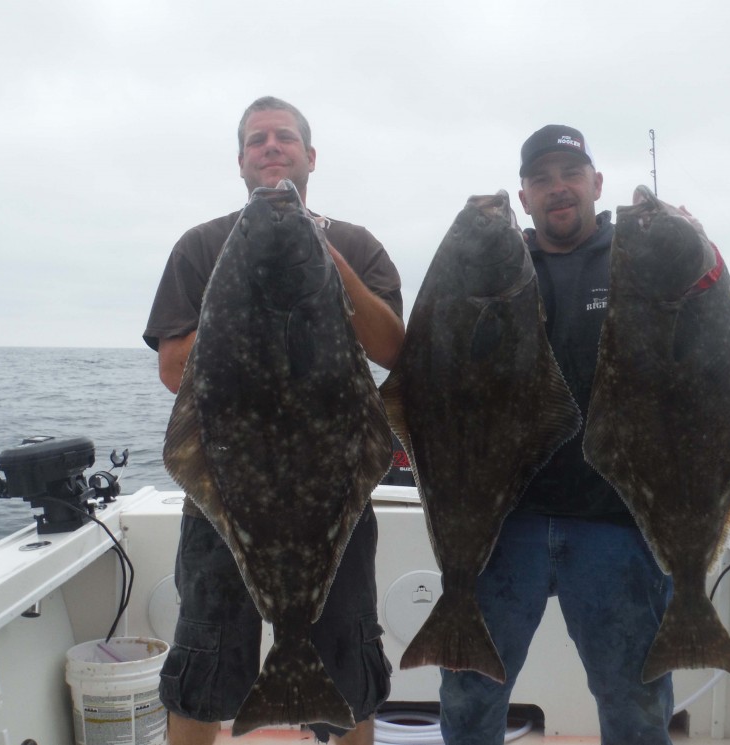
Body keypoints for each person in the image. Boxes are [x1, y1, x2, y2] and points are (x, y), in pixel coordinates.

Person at [143, 96, 405, 745]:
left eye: (284, 137)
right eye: (256, 139)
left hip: (332, 494)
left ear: (309, 156)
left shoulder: (357, 245)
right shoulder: (202, 247)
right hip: (227, 495)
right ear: (240, 161)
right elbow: (174, 370)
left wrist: (326, 260)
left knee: (349, 669)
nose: (270, 147)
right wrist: (237, 288)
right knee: (202, 667)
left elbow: (394, 350)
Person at [438, 125, 675, 744]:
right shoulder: (496, 263)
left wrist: (696, 252)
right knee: (470, 692)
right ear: (524, 197)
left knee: (634, 698)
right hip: (501, 521)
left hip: (617, 519)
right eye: (541, 179)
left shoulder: (639, 257)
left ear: (596, 183)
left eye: (571, 174)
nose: (558, 188)